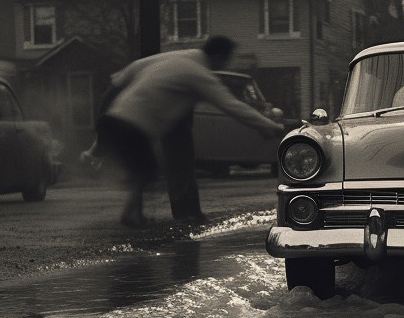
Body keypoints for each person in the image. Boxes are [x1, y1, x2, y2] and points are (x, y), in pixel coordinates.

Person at [89, 36, 283, 227]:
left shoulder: (164, 58)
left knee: (142, 168)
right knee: (146, 172)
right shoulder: (198, 73)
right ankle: (131, 216)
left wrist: (100, 122)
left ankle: (135, 214)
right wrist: (269, 127)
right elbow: (231, 105)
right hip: (133, 127)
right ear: (217, 57)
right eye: (226, 61)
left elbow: (116, 82)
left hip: (112, 120)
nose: (225, 66)